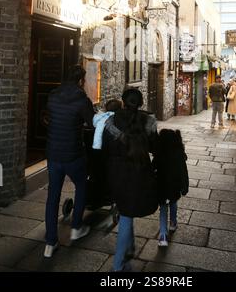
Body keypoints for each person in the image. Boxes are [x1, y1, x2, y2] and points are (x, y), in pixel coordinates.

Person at [102, 88, 158, 272]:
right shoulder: (148, 121)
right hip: (140, 173)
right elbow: (154, 148)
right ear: (140, 103)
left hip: (117, 174)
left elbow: (105, 148)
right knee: (127, 214)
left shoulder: (111, 121)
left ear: (123, 102)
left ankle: (127, 252)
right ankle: (118, 265)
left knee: (126, 213)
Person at [44, 64, 95, 258]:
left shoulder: (53, 95)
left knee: (52, 196)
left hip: (53, 154)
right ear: (81, 80)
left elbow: (51, 117)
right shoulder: (82, 99)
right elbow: (91, 123)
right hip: (73, 154)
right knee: (82, 186)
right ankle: (76, 227)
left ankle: (50, 242)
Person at [153, 129, 189, 247]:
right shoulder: (179, 154)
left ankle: (163, 235)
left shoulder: (158, 154)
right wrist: (185, 187)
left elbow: (152, 168)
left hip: (162, 186)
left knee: (163, 209)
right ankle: (173, 223)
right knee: (173, 203)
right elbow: (184, 172)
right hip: (174, 186)